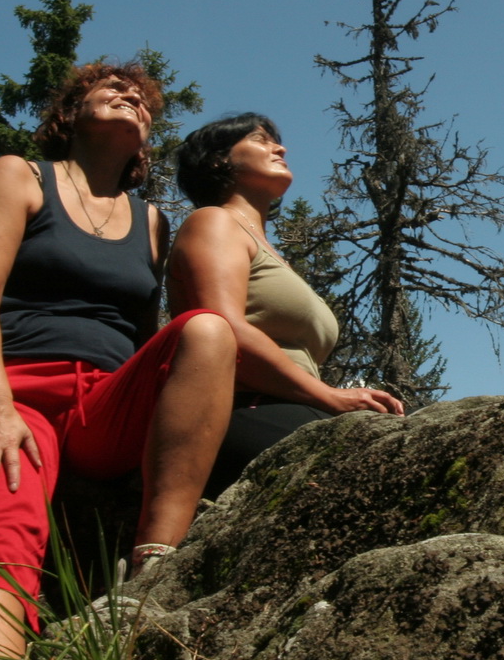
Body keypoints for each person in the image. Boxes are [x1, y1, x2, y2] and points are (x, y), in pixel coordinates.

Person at [0, 63, 237, 660]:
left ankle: (155, 566)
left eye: (142, 100)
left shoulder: (152, 221)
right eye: (112, 89)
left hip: (103, 405)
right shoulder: (21, 176)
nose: (131, 97)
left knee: (206, 330)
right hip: (15, 393)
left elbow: (143, 335)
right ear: (69, 114)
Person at [167, 113, 403, 492]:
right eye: (260, 140)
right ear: (218, 160)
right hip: (243, 411)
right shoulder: (213, 222)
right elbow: (224, 329)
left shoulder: (270, 252)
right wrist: (330, 396)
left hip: (293, 408)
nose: (280, 148)